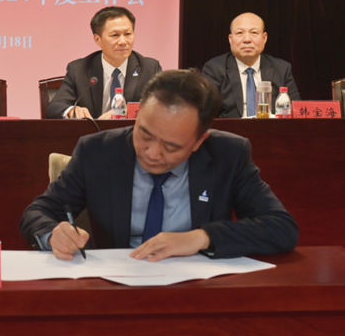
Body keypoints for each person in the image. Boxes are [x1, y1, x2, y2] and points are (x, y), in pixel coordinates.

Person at [21, 69, 298, 262]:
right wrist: (53, 235)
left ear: (199, 141)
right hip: (117, 285)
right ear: (138, 114)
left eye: (171, 146)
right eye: (145, 134)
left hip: (196, 287)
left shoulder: (228, 154)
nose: (152, 153)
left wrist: (202, 237)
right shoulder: (97, 151)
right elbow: (39, 212)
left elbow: (281, 228)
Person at [47, 6, 162, 119]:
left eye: (128, 34)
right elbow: (55, 106)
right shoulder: (78, 70)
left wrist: (128, 112)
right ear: (97, 39)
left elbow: (162, 105)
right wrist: (72, 110)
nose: (123, 41)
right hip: (93, 131)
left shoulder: (150, 68)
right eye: (115, 35)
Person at [202, 12, 301, 118]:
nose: (247, 40)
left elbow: (297, 112)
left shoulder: (281, 69)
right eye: (239, 33)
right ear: (230, 39)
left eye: (254, 33)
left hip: (272, 128)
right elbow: (204, 114)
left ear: (264, 38)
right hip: (232, 128)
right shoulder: (215, 69)